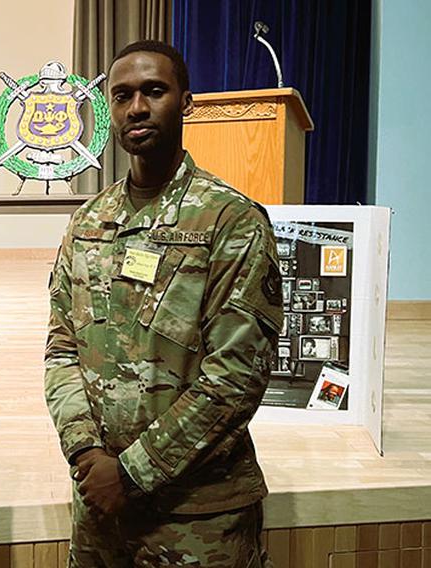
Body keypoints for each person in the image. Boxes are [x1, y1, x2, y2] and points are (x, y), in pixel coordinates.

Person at [45, 40, 283, 567]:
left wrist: (131, 473)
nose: (136, 107)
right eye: (122, 94)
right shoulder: (89, 221)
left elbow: (236, 376)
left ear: (186, 102)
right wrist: (87, 455)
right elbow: (62, 348)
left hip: (198, 516)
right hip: (100, 510)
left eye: (154, 91)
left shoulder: (230, 221)